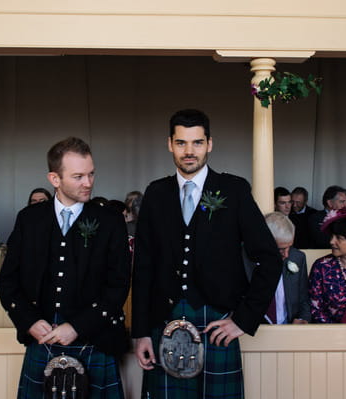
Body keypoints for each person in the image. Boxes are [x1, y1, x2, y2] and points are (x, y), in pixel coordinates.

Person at [132, 109, 282, 398]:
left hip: (216, 324)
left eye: (197, 143)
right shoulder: (156, 193)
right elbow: (143, 268)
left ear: (209, 144)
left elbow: (269, 258)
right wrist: (140, 332)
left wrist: (243, 318)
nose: (189, 151)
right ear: (169, 144)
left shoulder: (234, 190)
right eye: (181, 143)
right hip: (164, 320)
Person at [0, 137, 131, 399]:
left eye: (91, 174)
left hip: (95, 338)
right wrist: (29, 321)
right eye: (78, 176)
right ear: (54, 179)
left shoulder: (110, 219)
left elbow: (118, 284)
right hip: (42, 339)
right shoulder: (29, 219)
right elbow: (8, 282)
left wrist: (78, 326)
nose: (89, 183)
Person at [246, 212, 310, 324]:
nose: (286, 255)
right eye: (280, 249)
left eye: (289, 247)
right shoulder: (244, 260)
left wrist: (302, 318)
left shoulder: (297, 257)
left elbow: (303, 298)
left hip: (288, 330)